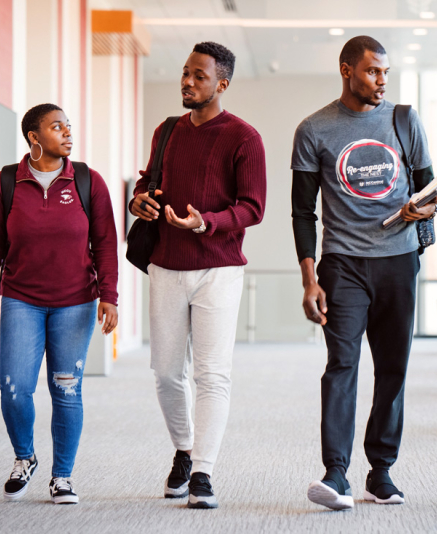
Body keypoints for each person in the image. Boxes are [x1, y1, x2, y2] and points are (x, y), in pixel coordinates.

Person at [291, 35, 437, 510]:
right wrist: (309, 278)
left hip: (398, 261)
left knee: (393, 368)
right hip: (343, 265)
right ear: (346, 69)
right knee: (342, 366)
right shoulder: (314, 129)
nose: (381, 81)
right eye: (373, 71)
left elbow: (430, 191)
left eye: (386, 74)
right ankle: (336, 473)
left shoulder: (404, 120)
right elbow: (302, 212)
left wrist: (425, 209)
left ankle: (381, 471)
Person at [129, 41, 266, 510]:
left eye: (199, 76)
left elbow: (253, 207)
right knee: (166, 372)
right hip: (166, 266)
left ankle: (203, 470)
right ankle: (184, 450)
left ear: (221, 84)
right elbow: (147, 180)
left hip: (219, 269)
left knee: (212, 374)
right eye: (185, 73)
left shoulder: (244, 137)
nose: (187, 82)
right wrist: (138, 201)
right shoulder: (167, 130)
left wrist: (206, 222)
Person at [0, 103, 119, 504]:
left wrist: (110, 296)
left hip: (76, 303)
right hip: (22, 300)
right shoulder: (5, 184)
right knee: (15, 388)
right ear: (34, 138)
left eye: (69, 126)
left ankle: (63, 476)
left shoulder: (89, 181)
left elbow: (105, 244)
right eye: (58, 127)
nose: (68, 133)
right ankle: (25, 458)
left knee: (66, 389)